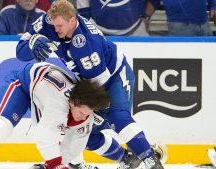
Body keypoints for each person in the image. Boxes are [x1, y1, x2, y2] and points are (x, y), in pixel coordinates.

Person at [16, 0, 164, 169]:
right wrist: (31, 43)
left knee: (117, 116)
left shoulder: (86, 44)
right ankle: (127, 159)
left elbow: (99, 86)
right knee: (83, 132)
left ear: (72, 20)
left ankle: (150, 159)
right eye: (54, 25)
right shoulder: (48, 22)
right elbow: (20, 52)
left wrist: (97, 110)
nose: (55, 30)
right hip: (90, 82)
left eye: (60, 26)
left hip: (114, 76)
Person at [0, 62, 110, 169]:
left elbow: (74, 145)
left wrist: (58, 164)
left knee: (67, 136)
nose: (82, 118)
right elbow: (43, 137)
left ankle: (76, 163)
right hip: (23, 85)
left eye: (87, 114)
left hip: (43, 95)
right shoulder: (58, 106)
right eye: (80, 113)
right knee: (1, 127)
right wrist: (55, 164)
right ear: (72, 102)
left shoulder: (84, 110)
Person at [76, 0, 149, 36]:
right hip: (96, 32)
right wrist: (90, 28)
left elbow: (154, 1)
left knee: (144, 63)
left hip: (136, 30)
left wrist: (147, 15)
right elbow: (83, 9)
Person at [146, 0, 216, 36]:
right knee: (184, 59)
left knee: (209, 58)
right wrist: (145, 16)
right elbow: (154, 1)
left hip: (204, 24)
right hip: (180, 25)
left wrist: (213, 5)